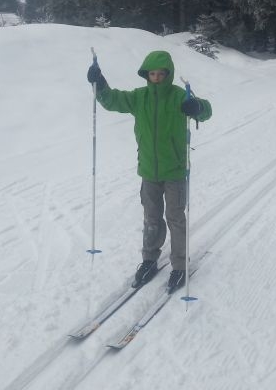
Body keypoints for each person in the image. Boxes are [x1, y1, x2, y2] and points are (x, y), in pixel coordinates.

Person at [87, 50, 212, 292]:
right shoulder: (139, 97)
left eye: (160, 74)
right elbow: (112, 100)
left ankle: (179, 266)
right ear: (147, 75)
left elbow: (206, 110)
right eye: (152, 74)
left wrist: (196, 107)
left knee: (175, 218)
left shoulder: (179, 96)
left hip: (174, 171)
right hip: (148, 171)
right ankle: (149, 259)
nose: (156, 78)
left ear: (168, 74)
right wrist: (99, 83)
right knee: (151, 218)